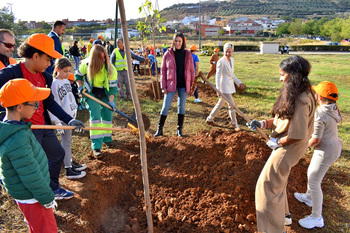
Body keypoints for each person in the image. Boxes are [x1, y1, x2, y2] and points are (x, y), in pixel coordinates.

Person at [0, 33, 85, 200]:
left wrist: (69, 120)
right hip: (24, 130)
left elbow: (50, 103)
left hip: (43, 125)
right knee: (32, 164)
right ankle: (31, 197)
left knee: (57, 154)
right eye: (48, 59)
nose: (50, 63)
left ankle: (53, 188)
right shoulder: (12, 73)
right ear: (36, 55)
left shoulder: (45, 77)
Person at [247, 55, 316, 233]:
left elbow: (297, 134)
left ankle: (272, 229)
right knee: (278, 183)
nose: (280, 78)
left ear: (293, 75)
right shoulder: (297, 92)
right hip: (286, 146)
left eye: (282, 74)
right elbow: (282, 119)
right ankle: (284, 216)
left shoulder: (302, 99)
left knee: (266, 187)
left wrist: (277, 142)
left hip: (288, 149)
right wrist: (261, 123)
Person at [0, 79, 58, 233]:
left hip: (28, 194)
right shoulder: (17, 139)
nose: (37, 108)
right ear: (19, 107)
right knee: (46, 229)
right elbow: (30, 173)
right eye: (35, 104)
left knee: (37, 228)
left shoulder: (14, 129)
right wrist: (47, 197)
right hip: (33, 197)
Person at [294, 81, 342, 229]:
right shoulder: (333, 108)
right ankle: (309, 197)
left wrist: (302, 145)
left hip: (325, 151)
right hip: (333, 147)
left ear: (319, 97)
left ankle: (317, 217)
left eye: (316, 93)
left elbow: (316, 139)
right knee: (311, 174)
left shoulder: (321, 112)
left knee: (314, 181)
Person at [75, 45, 118, 159]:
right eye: (101, 58)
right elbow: (78, 75)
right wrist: (80, 87)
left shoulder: (110, 68)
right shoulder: (86, 64)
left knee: (107, 114)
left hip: (105, 93)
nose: (104, 60)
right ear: (94, 59)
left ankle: (107, 139)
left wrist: (111, 102)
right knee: (95, 116)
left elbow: (113, 88)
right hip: (90, 93)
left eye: (105, 58)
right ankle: (96, 147)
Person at [49, 57, 87, 179]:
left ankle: (70, 162)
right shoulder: (54, 84)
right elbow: (54, 104)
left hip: (70, 118)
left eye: (69, 71)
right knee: (66, 144)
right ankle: (68, 169)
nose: (67, 74)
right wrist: (57, 121)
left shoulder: (66, 81)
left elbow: (69, 98)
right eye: (65, 71)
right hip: (63, 119)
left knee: (69, 142)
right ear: (57, 69)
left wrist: (74, 111)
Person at [154, 32, 195, 137]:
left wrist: (192, 86)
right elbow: (163, 71)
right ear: (173, 41)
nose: (177, 43)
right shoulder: (167, 54)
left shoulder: (188, 54)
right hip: (170, 84)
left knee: (181, 106)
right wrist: (163, 86)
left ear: (183, 42)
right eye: (176, 41)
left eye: (179, 41)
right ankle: (160, 129)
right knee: (166, 106)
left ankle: (179, 130)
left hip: (183, 84)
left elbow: (192, 71)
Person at [206, 43, 245, 131]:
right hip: (223, 88)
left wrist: (239, 83)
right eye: (226, 52)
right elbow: (218, 76)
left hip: (229, 86)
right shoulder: (221, 62)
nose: (228, 54)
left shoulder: (232, 60)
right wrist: (218, 90)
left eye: (229, 52)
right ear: (224, 51)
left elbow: (232, 74)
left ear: (232, 51)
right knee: (232, 105)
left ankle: (210, 119)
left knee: (220, 104)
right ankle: (235, 124)